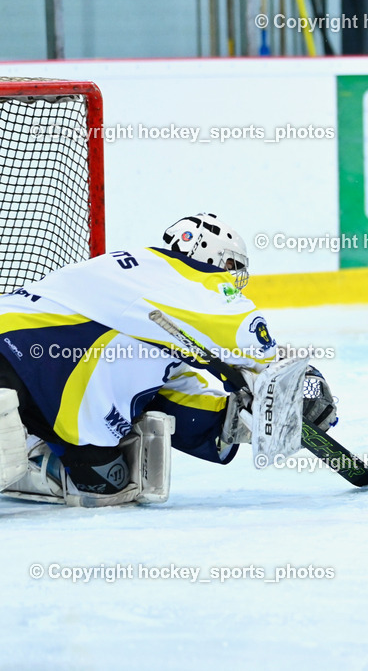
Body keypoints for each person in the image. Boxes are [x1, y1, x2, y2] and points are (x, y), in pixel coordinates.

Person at [0, 213, 337, 507]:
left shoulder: (159, 315)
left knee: (107, 485)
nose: (231, 279)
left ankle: (30, 458)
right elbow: (249, 338)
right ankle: (19, 447)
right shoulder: (171, 275)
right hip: (10, 356)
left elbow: (179, 398)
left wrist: (236, 424)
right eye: (231, 265)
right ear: (206, 253)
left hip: (45, 387)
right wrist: (300, 381)